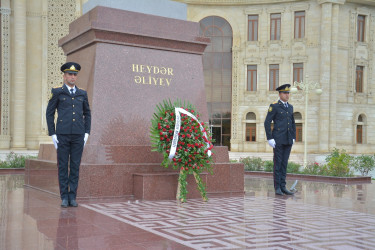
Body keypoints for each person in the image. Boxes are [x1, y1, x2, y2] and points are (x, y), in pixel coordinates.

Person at [46, 62, 91, 207]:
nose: (72, 77)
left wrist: (86, 133)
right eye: (70, 74)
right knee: (63, 166)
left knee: (75, 166)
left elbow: (87, 113)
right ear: (64, 76)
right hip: (62, 135)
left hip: (78, 135)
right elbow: (49, 113)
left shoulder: (82, 93)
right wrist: (53, 134)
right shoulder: (58, 92)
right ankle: (64, 196)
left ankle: (73, 196)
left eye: (74, 74)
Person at [264, 84, 296, 196]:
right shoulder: (274, 106)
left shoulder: (290, 107)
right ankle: (277, 187)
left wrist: (293, 137)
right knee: (277, 164)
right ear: (280, 94)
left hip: (287, 140)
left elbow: (292, 123)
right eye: (285, 93)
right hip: (278, 140)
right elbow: (267, 122)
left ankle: (283, 186)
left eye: (288, 93)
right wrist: (270, 138)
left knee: (284, 164)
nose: (287, 95)